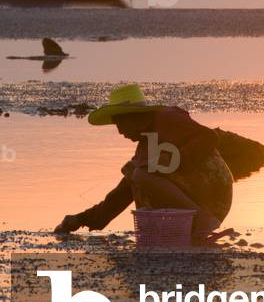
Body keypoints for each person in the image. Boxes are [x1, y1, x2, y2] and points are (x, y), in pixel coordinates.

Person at [54, 84, 233, 243]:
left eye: (119, 123)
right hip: (195, 197)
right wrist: (81, 219)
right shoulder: (144, 147)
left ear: (133, 117)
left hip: (214, 196)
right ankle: (187, 227)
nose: (120, 131)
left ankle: (202, 220)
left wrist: (171, 160)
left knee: (141, 173)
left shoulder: (167, 118)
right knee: (136, 173)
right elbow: (121, 195)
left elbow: (209, 137)